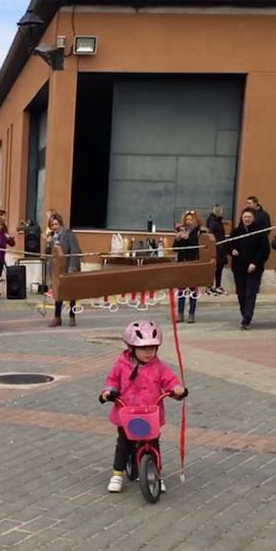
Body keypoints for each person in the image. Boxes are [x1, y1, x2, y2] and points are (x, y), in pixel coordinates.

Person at [99, 319, 186, 494]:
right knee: (123, 443)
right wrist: (109, 392)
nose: (149, 352)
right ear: (131, 348)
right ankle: (117, 474)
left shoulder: (158, 367)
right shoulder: (122, 365)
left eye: (152, 348)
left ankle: (156, 474)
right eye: (144, 348)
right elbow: (112, 380)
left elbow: (169, 380)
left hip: (150, 414)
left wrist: (176, 389)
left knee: (153, 444)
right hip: (126, 414)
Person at [231, 207, 271, 330]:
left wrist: (255, 263)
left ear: (253, 218)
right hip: (239, 268)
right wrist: (232, 250)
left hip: (254, 268)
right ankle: (245, 315)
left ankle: (247, 318)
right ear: (241, 218)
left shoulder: (259, 232)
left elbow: (265, 250)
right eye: (244, 217)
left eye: (249, 217)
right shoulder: (236, 232)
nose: (247, 219)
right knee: (241, 294)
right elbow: (228, 245)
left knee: (250, 293)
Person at [45, 213, 81, 328]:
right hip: (56, 269)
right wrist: (48, 243)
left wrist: (72, 267)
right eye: (52, 225)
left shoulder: (68, 234)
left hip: (68, 267)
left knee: (71, 294)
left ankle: (72, 316)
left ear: (60, 224)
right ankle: (57, 317)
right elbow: (48, 253)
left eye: (56, 224)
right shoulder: (52, 236)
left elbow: (74, 250)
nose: (54, 227)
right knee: (58, 293)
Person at [174, 209, 205, 323]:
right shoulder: (182, 230)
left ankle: (191, 313)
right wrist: (178, 239)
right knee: (181, 290)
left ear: (196, 220)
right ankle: (180, 313)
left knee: (193, 290)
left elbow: (200, 246)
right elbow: (175, 248)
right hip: (182, 262)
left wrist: (189, 238)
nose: (188, 221)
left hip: (194, 262)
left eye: (191, 219)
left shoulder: (200, 232)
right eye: (187, 219)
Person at [205, 205, 228, 295]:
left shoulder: (218, 221)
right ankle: (210, 287)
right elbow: (211, 234)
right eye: (221, 211)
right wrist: (218, 244)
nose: (223, 212)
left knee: (219, 267)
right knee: (214, 267)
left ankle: (217, 286)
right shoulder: (213, 221)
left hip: (220, 247)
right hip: (217, 248)